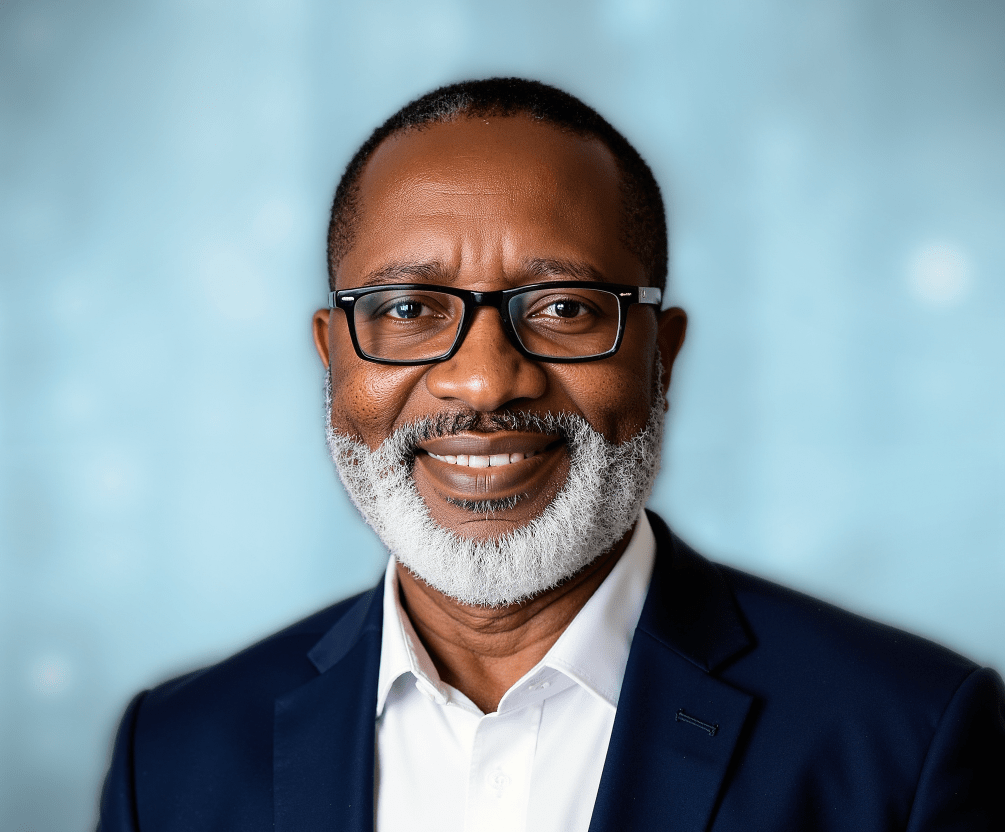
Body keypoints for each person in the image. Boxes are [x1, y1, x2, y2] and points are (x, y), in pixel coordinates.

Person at [97, 78, 1005, 831]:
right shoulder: (174, 756)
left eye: (565, 308)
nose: (485, 382)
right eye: (410, 311)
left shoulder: (906, 740)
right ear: (332, 356)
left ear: (662, 356)